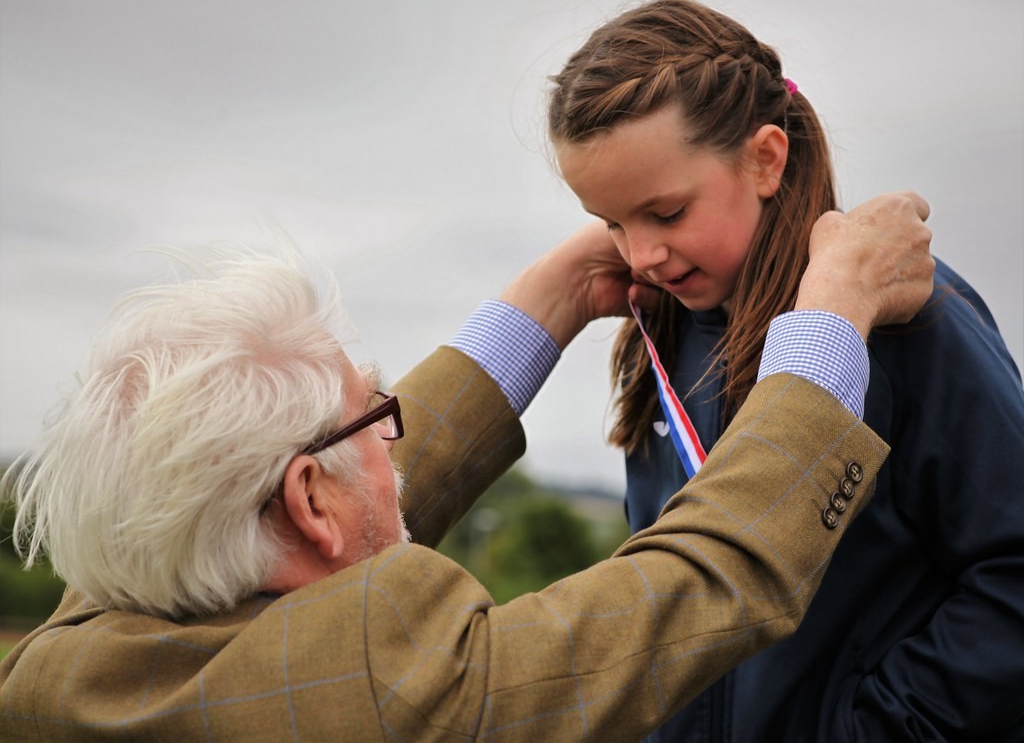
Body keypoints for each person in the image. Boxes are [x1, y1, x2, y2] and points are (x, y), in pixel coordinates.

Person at [0, 193, 932, 741]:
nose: (394, 439)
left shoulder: (63, 670)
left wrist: (554, 302)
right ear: (311, 501)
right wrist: (833, 314)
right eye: (374, 413)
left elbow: (336, 493)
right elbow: (706, 575)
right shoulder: (383, 692)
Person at [546, 0, 1024, 741]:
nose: (640, 255)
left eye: (665, 213)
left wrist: (873, 728)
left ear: (766, 159)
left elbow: (1013, 569)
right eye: (613, 222)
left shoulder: (910, 320)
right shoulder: (658, 334)